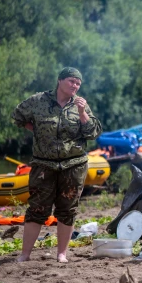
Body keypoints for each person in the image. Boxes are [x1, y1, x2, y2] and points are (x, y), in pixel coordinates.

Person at [12, 67, 102, 263]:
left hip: (74, 165)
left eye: (78, 83)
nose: (75, 85)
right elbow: (18, 116)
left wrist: (82, 113)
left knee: (67, 210)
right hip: (43, 165)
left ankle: (62, 254)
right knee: (37, 209)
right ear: (60, 80)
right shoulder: (38, 101)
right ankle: (25, 254)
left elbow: (93, 133)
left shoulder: (81, 105)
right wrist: (36, 130)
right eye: (71, 81)